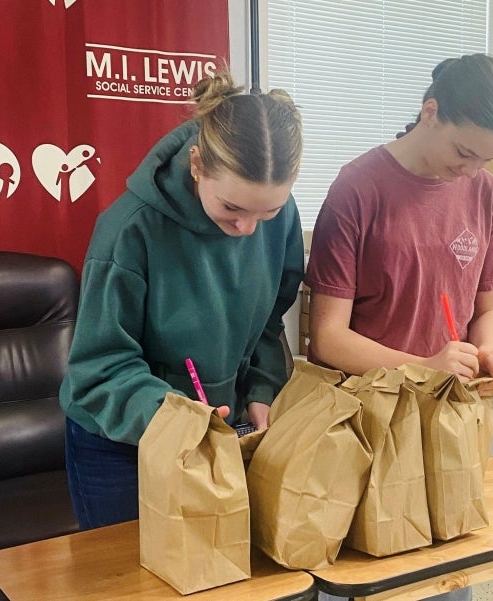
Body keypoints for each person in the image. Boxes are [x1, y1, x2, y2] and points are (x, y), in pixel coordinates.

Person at [306, 54, 493, 601]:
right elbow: (327, 337)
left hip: (451, 415)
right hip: (370, 417)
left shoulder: (487, 195)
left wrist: (488, 354)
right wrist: (421, 367)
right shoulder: (359, 187)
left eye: (487, 159)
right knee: (369, 574)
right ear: (430, 112)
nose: (471, 170)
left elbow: (489, 310)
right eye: (463, 152)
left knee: (451, 570)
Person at [60, 72, 305, 531]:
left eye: (267, 212)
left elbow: (269, 323)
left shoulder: (279, 216)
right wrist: (176, 418)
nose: (249, 228)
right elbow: (100, 369)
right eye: (232, 209)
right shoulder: (129, 229)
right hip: (121, 441)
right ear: (196, 165)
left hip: (218, 429)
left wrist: (261, 389)